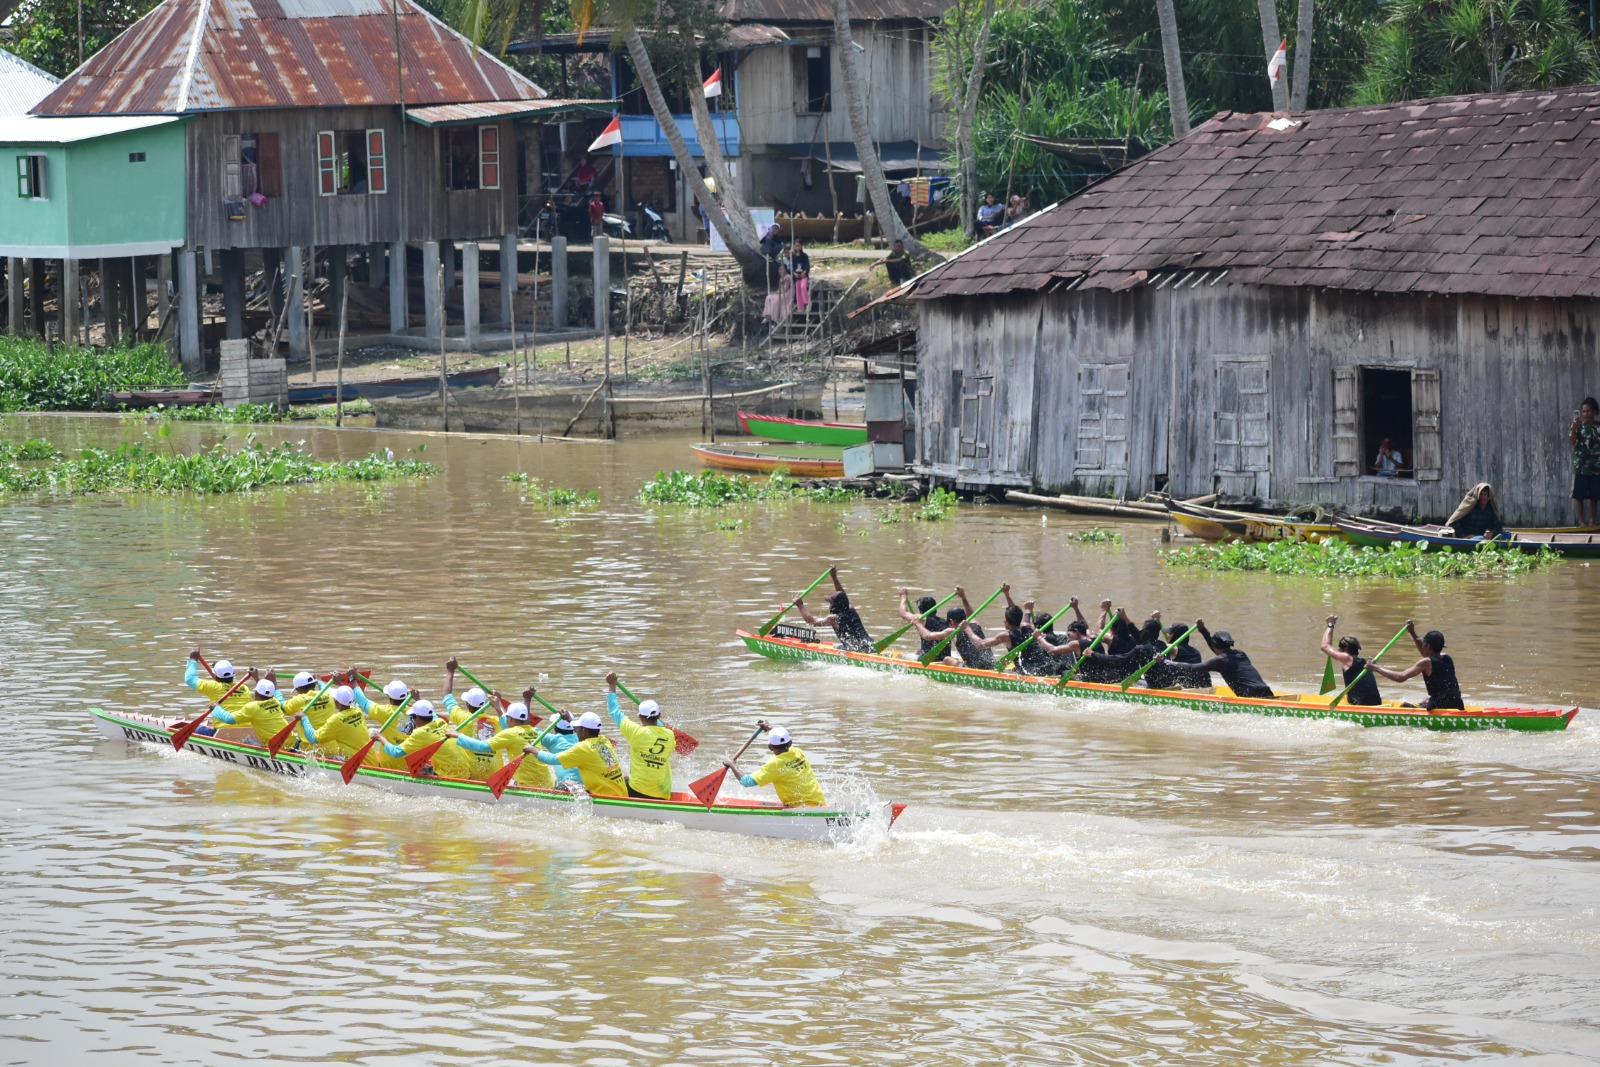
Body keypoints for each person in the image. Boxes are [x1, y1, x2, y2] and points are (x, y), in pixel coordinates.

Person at [449, 691, 555, 791]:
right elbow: (507, 722)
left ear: (511, 719)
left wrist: (459, 736)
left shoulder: (510, 733)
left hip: (528, 786)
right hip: (549, 783)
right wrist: (498, 705)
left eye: (507, 718)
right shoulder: (536, 731)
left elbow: (482, 747)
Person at [601, 672, 674, 799]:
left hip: (638, 791)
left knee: (612, 775)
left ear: (640, 717)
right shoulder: (670, 735)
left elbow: (614, 712)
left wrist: (612, 685)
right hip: (663, 794)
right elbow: (660, 727)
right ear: (659, 715)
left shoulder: (636, 732)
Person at [722, 721, 825, 807]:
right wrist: (771, 729)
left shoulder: (775, 764)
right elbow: (783, 741)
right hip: (819, 803)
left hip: (800, 809)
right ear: (790, 743)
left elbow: (746, 781)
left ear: (770, 747)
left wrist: (732, 764)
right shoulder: (798, 752)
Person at [1369, 621, 1463, 711]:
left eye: (1424, 644)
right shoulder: (1447, 658)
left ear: (1428, 646)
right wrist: (1412, 632)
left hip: (1440, 705)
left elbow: (1400, 677)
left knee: (1404, 706)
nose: (1422, 646)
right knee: (1426, 700)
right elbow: (1426, 654)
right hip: (1457, 703)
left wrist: (1376, 668)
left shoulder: (1426, 663)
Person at [1168, 621, 1275, 698]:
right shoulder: (1240, 654)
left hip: (1249, 695)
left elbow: (1192, 667)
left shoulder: (1220, 661)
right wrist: (1203, 630)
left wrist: (1166, 662)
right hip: (1266, 690)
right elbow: (1218, 649)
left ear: (1215, 646)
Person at [531, 711, 627, 796]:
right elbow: (581, 730)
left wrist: (531, 749)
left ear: (584, 731)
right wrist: (570, 719)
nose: (576, 732)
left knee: (560, 785)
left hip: (602, 794)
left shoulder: (582, 747)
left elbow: (552, 759)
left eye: (579, 729)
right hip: (619, 791)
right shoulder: (604, 740)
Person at [207, 675, 314, 750]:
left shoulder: (253, 707)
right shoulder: (276, 701)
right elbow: (275, 694)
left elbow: (229, 719)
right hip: (292, 743)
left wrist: (217, 708)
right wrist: (259, 678)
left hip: (276, 747)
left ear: (256, 694)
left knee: (246, 741)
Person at [795, 567, 874, 653]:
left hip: (855, 650)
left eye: (831, 603)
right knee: (838, 645)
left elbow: (812, 622)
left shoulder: (834, 618)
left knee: (838, 646)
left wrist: (800, 605)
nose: (829, 606)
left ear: (835, 606)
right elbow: (842, 595)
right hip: (870, 645)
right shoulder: (851, 609)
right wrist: (834, 577)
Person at [370, 700, 452, 775]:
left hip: (449, 774)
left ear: (417, 717)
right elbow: (430, 712)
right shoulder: (440, 721)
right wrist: (414, 702)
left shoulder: (420, 733)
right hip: (462, 767)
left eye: (412, 717)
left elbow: (395, 752)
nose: (412, 720)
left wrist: (380, 738)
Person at [1318, 615, 1383, 706]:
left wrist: (1330, 625)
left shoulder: (1347, 658)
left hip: (1360, 704)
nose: (1338, 650)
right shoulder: (1366, 662)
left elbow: (1324, 646)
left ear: (1346, 649)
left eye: (1339, 648)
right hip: (1377, 702)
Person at [184, 648, 253, 713]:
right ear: (233, 674)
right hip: (248, 725)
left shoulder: (213, 687)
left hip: (222, 726)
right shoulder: (244, 688)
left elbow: (190, 679)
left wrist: (193, 659)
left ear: (216, 676)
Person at [1570, 397, 1600, 526]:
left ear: (1594, 412)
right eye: (1583, 411)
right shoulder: (1578, 427)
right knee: (1579, 495)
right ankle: (1582, 522)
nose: (1585, 414)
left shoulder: (1598, 427)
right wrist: (1573, 429)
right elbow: (1572, 441)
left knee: (1595, 496)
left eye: (1588, 411)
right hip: (1581, 467)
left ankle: (1592, 521)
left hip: (1596, 466)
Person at [898, 590, 952, 658]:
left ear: (920, 611)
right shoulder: (945, 622)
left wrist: (903, 595)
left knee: (900, 656)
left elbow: (903, 613)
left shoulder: (922, 619)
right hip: (944, 658)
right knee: (918, 651)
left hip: (929, 659)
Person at [791, 238, 811, 310]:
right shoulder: (792, 257)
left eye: (798, 246)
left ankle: (806, 303)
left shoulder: (804, 256)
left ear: (801, 246)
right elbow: (792, 266)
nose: (797, 247)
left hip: (804, 275)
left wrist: (805, 272)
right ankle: (800, 307)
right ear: (794, 247)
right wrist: (794, 273)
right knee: (798, 289)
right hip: (797, 276)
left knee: (803, 287)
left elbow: (807, 265)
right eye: (796, 246)